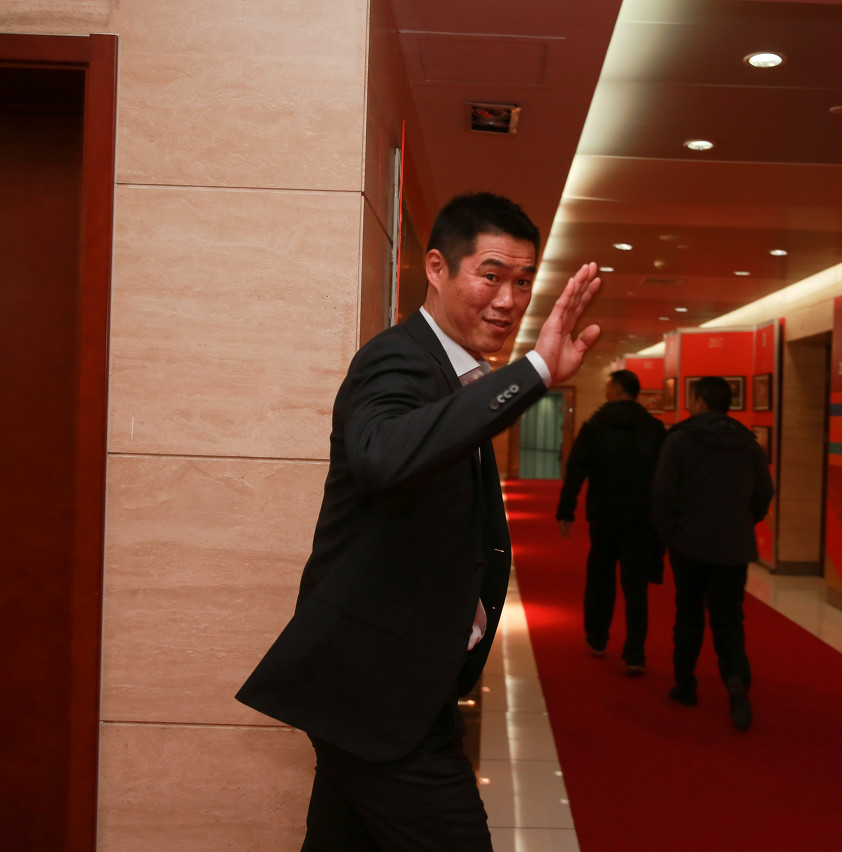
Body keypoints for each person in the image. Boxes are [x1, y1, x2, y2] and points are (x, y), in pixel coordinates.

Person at [235, 192, 602, 851]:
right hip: (376, 693)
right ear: (437, 268)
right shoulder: (399, 359)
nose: (509, 299)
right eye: (491, 275)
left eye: (523, 282)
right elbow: (384, 457)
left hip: (391, 687)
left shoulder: (457, 374)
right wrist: (536, 371)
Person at [652, 376, 774, 730]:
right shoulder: (748, 444)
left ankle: (685, 685)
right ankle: (736, 681)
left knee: (688, 614)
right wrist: (744, 523)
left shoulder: (680, 440)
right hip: (733, 546)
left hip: (689, 545)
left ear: (701, 402)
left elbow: (662, 493)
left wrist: (670, 535)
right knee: (728, 618)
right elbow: (764, 493)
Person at [556, 369, 666, 673]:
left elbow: (576, 469)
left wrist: (566, 510)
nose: (605, 392)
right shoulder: (655, 428)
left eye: (608, 387)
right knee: (636, 587)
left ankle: (597, 638)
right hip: (642, 517)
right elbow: (665, 478)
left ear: (618, 389)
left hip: (604, 515)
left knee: (600, 579)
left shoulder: (596, 425)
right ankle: (635, 653)